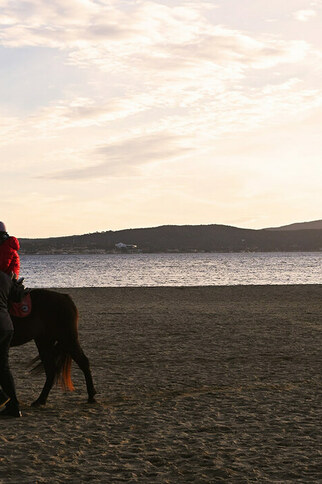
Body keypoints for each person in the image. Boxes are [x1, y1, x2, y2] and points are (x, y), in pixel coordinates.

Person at [0, 271, 22, 417]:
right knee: (3, 367)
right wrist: (16, 283)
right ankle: (14, 407)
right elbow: (17, 297)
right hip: (6, 327)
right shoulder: (5, 277)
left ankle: (2, 397)